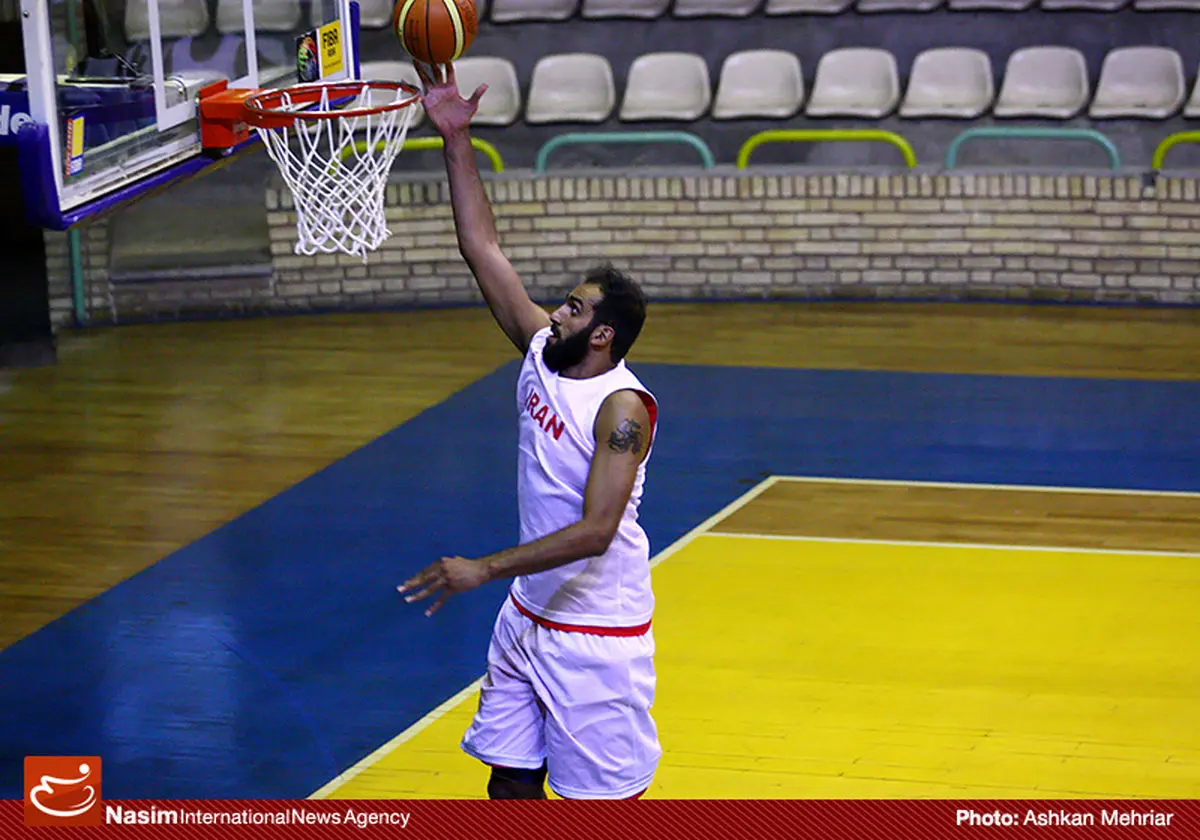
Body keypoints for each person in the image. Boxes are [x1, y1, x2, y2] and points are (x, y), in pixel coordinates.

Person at [397, 63, 661, 801]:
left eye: (574, 309)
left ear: (604, 335)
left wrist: (482, 567)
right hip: (528, 618)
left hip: (596, 638)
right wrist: (455, 139)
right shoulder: (543, 352)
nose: (557, 311)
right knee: (509, 787)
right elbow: (485, 251)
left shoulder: (624, 410)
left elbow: (597, 531)